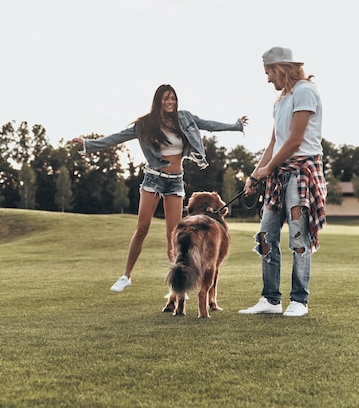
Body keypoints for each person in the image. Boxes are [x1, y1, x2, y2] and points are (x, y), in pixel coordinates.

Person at [72, 84, 248, 292]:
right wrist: (88, 144)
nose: (170, 102)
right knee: (141, 229)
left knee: (173, 234)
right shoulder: (146, 124)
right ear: (158, 101)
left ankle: (177, 287)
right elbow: (118, 138)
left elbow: (209, 124)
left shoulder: (185, 118)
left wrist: (236, 126)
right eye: (166, 99)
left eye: (173, 98)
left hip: (175, 180)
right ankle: (126, 275)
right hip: (154, 178)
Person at [238, 47, 326, 317]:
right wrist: (255, 174)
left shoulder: (305, 92)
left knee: (299, 237)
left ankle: (299, 301)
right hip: (278, 172)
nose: (267, 79)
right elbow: (275, 142)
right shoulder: (281, 100)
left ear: (279, 69)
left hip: (302, 171)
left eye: (268, 73)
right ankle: (271, 299)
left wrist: (268, 169)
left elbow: (295, 141)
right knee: (266, 235)